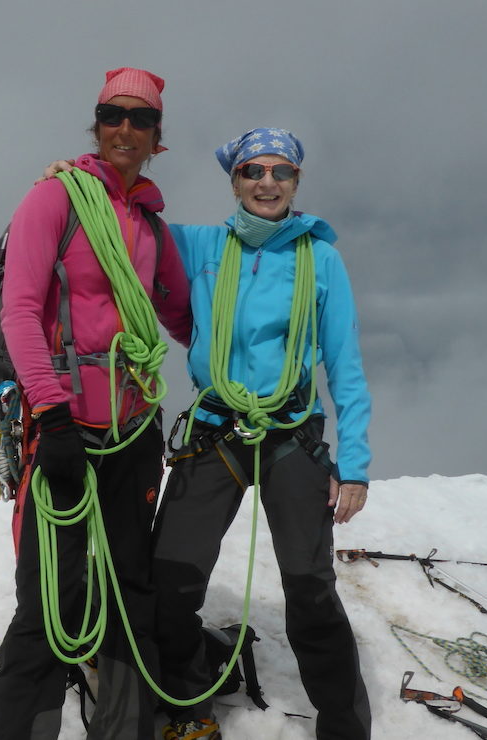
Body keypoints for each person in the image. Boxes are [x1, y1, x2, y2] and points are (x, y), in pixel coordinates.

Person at [0, 67, 192, 739]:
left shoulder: (152, 227)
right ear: (97, 124)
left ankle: (125, 729)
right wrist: (50, 417)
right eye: (113, 115)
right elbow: (20, 312)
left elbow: (182, 316)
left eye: (142, 118)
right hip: (65, 425)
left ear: (157, 137)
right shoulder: (54, 199)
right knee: (50, 598)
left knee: (130, 592)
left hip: (133, 430)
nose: (125, 128)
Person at [151, 128, 372, 740]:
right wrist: (80, 175)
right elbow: (125, 226)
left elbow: (345, 365)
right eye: (253, 170)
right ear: (235, 180)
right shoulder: (200, 246)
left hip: (290, 432)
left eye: (281, 172)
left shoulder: (320, 259)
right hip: (216, 428)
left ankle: (344, 730)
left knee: (310, 586)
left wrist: (354, 465)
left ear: (297, 182)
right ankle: (188, 708)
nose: (267, 182)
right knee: (170, 578)